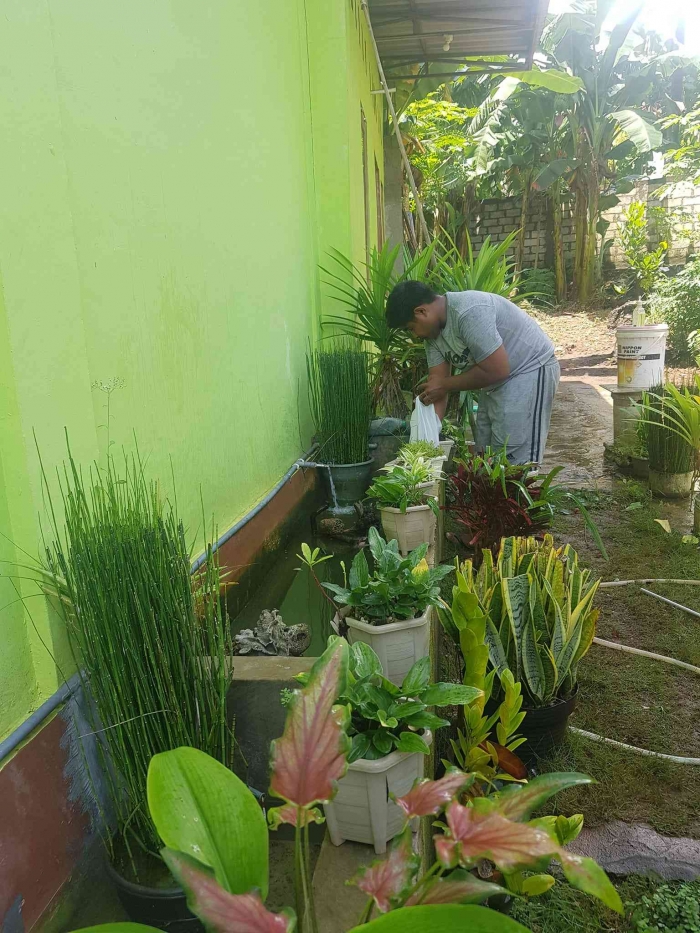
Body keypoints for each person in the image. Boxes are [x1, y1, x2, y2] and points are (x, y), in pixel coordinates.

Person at [385, 281, 560, 464]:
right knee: (486, 451)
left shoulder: (468, 312)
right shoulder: (432, 336)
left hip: (529, 370)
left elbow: (497, 370)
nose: (414, 335)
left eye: (411, 328)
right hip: (493, 381)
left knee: (514, 455)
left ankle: (520, 492)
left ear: (421, 311)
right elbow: (437, 385)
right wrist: (427, 439)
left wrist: (443, 385)